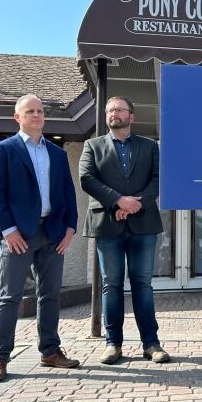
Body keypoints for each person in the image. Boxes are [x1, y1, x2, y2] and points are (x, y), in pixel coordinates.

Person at [0, 94, 80, 382]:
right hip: (17, 235)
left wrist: (70, 228)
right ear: (18, 117)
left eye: (39, 111)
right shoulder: (3, 150)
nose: (36, 115)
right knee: (10, 296)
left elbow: (68, 194)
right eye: (30, 111)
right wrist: (7, 230)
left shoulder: (58, 154)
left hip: (52, 233)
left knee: (50, 295)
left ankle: (50, 351)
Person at [79, 96, 171, 365]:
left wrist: (134, 205)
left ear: (132, 116)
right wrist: (119, 201)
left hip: (143, 223)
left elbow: (159, 178)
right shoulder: (92, 145)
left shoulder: (149, 146)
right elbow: (87, 178)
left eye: (119, 109)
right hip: (107, 224)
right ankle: (113, 344)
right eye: (110, 110)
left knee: (143, 285)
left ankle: (151, 344)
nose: (113, 113)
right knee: (112, 284)